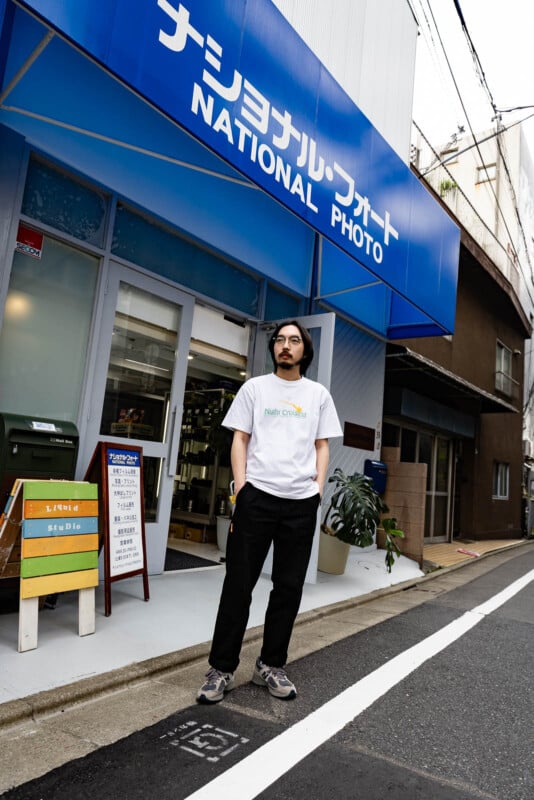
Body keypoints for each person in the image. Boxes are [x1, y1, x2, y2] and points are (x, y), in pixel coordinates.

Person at [196, 320, 342, 704]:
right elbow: (239, 439)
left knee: (289, 587)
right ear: (274, 348)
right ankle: (221, 668)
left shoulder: (317, 395)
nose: (286, 346)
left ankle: (270, 665)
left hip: (300, 502)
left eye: (294, 340)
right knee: (238, 583)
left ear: (304, 351)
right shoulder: (255, 388)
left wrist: (317, 489)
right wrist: (242, 488)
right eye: (280, 340)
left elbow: (322, 445)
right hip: (256, 497)